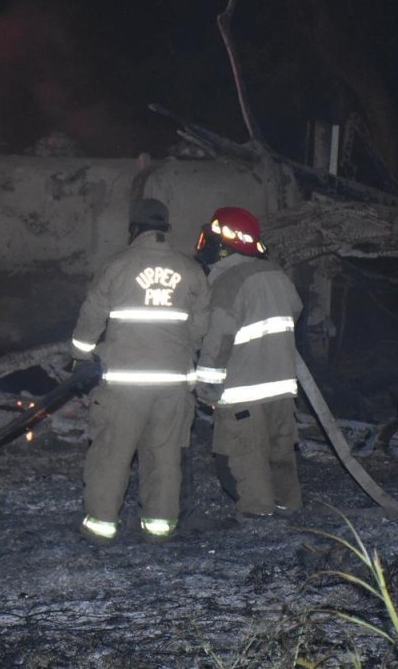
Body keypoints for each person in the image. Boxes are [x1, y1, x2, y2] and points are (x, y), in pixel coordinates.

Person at [70, 197, 210, 544]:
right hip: (173, 385)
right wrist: (181, 355)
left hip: (123, 385)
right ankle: (159, 528)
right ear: (166, 229)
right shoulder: (191, 270)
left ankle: (101, 527)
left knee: (111, 454)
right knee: (164, 456)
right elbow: (200, 328)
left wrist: (81, 356)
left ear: (133, 228)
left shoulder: (117, 265)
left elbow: (91, 316)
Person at [193, 206, 304, 518]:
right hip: (282, 388)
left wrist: (207, 389)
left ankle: (259, 519)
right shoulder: (276, 274)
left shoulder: (226, 281)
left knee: (244, 456)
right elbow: (295, 310)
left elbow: (217, 339)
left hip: (243, 392)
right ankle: (288, 507)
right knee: (280, 453)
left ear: (224, 245)